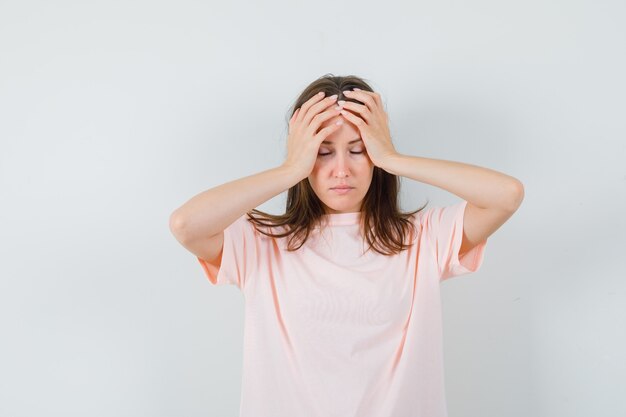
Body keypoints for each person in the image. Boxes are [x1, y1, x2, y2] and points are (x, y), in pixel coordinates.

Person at [169, 74, 524, 417]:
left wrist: (392, 158)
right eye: (323, 152)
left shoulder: (423, 238)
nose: (342, 170)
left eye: (358, 150)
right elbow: (186, 225)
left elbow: (506, 196)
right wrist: (290, 169)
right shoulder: (261, 243)